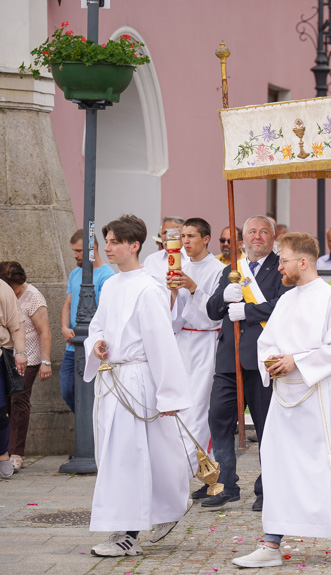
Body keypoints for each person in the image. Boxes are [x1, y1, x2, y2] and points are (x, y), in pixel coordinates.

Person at [232, 233, 331, 568]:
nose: (280, 266)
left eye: (284, 260)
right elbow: (267, 341)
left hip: (318, 396)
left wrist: (298, 361)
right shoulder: (286, 300)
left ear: (303, 263)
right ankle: (271, 545)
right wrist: (272, 362)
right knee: (280, 468)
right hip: (285, 399)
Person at [83, 215, 193, 556]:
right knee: (118, 455)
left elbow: (161, 342)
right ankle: (150, 514)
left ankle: (129, 535)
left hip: (138, 380)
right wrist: (97, 342)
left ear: (134, 245)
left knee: (131, 456)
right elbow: (98, 324)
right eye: (107, 242)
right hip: (112, 379)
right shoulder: (112, 285)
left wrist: (170, 393)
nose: (109, 248)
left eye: (115, 241)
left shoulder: (148, 288)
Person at [205, 215, 289, 510]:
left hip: (263, 359)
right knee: (219, 417)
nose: (257, 237)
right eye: (251, 232)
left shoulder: (281, 266)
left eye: (263, 232)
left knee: (268, 425)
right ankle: (226, 482)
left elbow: (284, 303)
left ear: (272, 236)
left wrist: (249, 311)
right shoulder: (232, 269)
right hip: (230, 359)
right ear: (243, 238)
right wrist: (223, 298)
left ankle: (268, 487)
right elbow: (213, 311)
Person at [165, 218, 225, 494]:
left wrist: (192, 288)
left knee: (198, 408)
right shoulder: (181, 268)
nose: (186, 242)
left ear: (206, 238)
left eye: (192, 236)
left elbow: (214, 314)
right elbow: (173, 317)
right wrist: (173, 293)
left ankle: (189, 470)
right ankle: (197, 468)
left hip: (205, 342)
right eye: (183, 236)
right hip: (182, 342)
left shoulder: (218, 270)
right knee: (181, 404)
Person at [0, 262, 50, 471]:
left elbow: (44, 331)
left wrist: (46, 361)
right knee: (6, 404)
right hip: (6, 355)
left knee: (19, 401)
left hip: (27, 357)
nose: (15, 291)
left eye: (17, 287)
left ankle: (16, 453)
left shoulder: (33, 297)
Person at [61, 230, 113, 413]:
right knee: (67, 390)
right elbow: (67, 303)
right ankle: (84, 424)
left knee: (92, 392)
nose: (74, 255)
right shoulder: (75, 273)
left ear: (93, 248)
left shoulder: (107, 276)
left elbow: (106, 311)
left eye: (78, 251)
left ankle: (90, 430)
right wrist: (64, 327)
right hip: (72, 344)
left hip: (92, 344)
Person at [0, 277, 26, 479]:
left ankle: (2, 454)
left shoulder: (2, 288)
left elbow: (16, 324)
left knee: (1, 411)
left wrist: (20, 352)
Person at [142, 217, 189, 281]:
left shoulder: (192, 260)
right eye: (164, 233)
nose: (167, 238)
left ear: (183, 235)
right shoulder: (151, 260)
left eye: (173, 233)